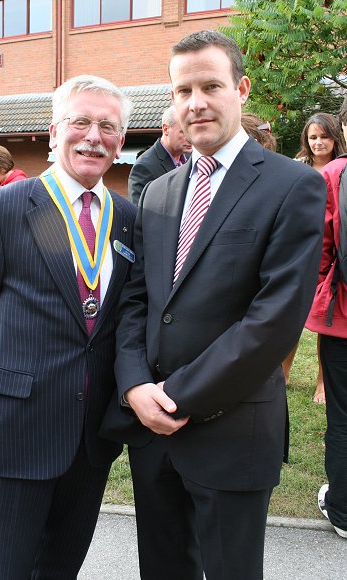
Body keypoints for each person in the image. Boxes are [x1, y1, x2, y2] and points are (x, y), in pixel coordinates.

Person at [100, 30, 326, 580]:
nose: (196, 102)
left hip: (231, 431)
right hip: (151, 432)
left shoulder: (293, 186)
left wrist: (172, 398)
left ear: (241, 89)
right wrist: (134, 386)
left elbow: (273, 321)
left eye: (211, 86)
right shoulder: (157, 191)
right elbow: (137, 299)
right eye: (183, 90)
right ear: (172, 101)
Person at [0, 74, 136, 579]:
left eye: (108, 127)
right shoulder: (3, 207)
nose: (93, 136)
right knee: (10, 570)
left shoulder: (127, 217)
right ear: (53, 133)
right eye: (81, 122)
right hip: (19, 426)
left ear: (121, 143)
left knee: (61, 568)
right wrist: (17, 369)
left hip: (90, 434)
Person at [283, 112, 346, 402]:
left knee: (326, 324)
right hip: (299, 251)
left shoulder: (340, 171)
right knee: (291, 318)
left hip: (331, 258)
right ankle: (283, 372)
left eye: (324, 136)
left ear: (336, 137)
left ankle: (323, 381)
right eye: (313, 137)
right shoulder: (296, 168)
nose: (319, 142)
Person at [306, 97, 347, 539]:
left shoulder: (335, 175)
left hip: (344, 316)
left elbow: (321, 248)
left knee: (344, 414)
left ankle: (343, 509)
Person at [128, 105, 192, 205]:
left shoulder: (191, 158)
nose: (190, 137)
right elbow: (141, 213)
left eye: (191, 130)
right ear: (166, 129)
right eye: (183, 132)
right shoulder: (144, 167)